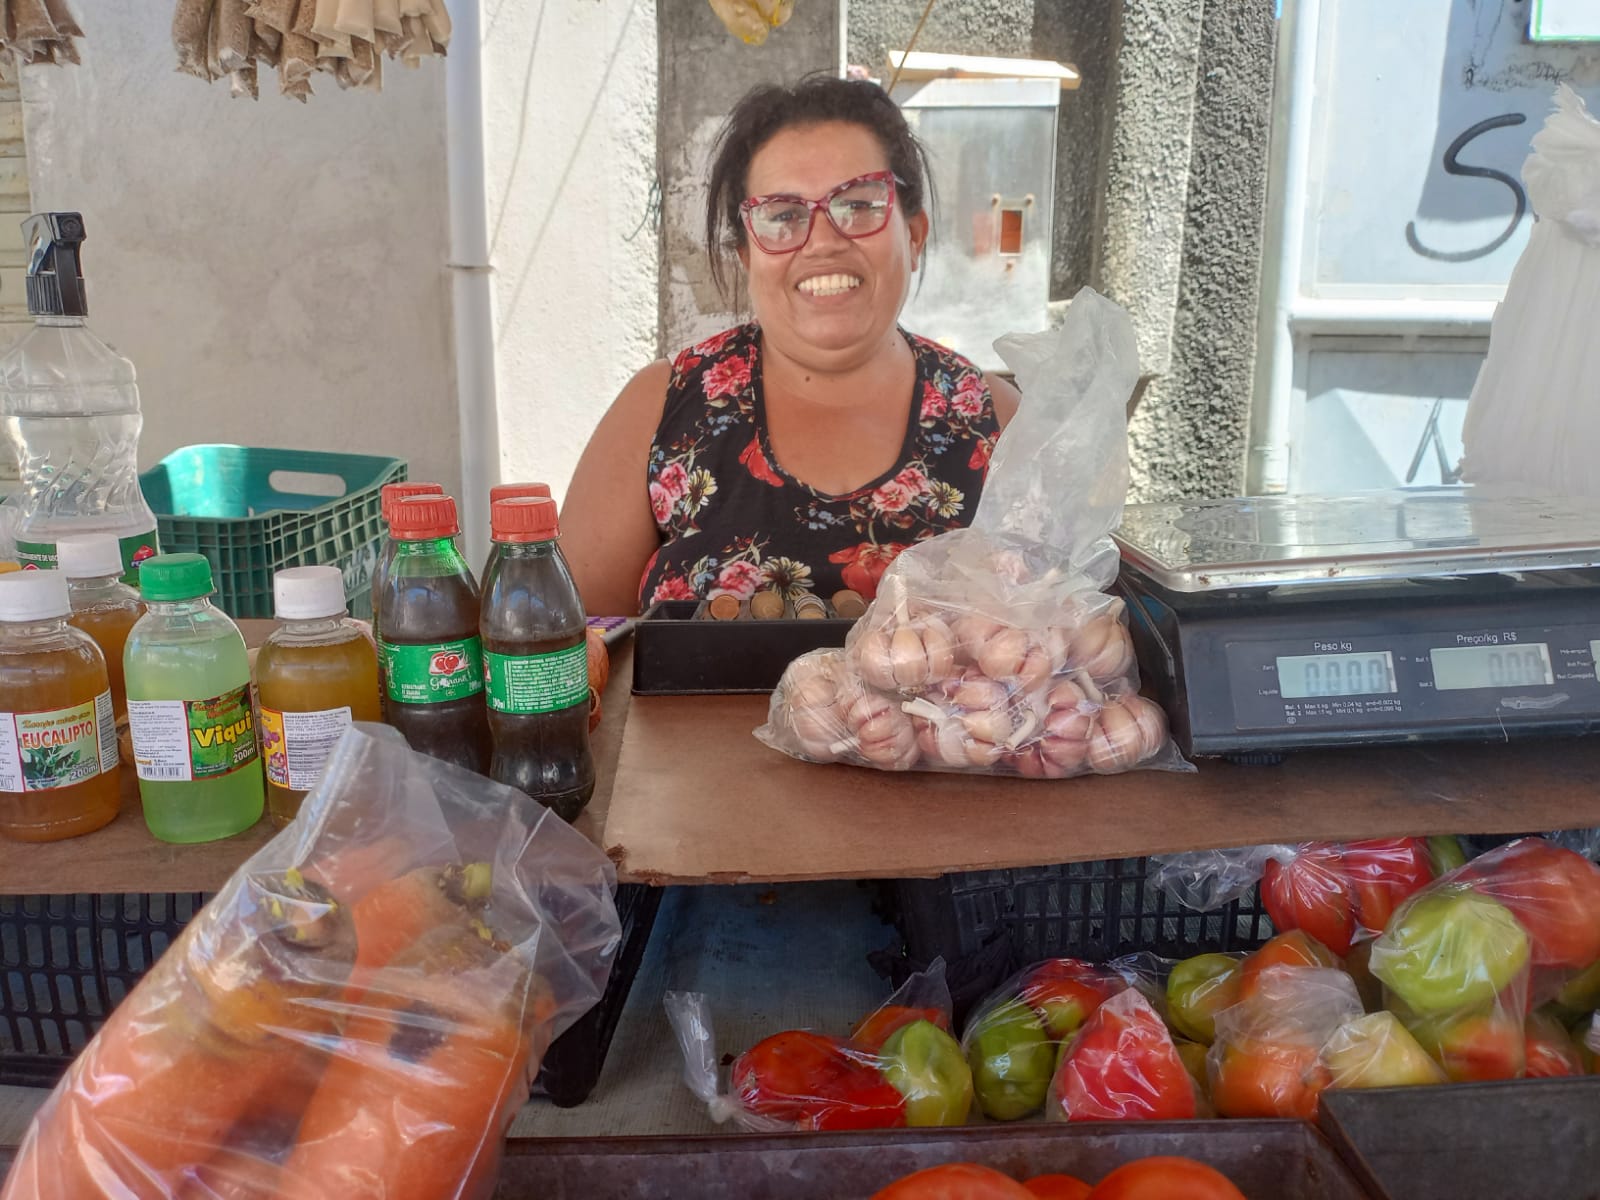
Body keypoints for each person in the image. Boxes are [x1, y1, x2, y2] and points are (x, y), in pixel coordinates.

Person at [561, 75, 1020, 616]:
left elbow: (1067, 644)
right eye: (782, 216)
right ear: (748, 256)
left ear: (914, 236)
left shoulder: (998, 423)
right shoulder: (662, 408)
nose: (823, 241)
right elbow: (575, 649)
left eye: (859, 204)